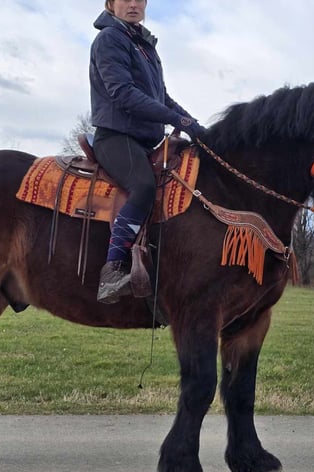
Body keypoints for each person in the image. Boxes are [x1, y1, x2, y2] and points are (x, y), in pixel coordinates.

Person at [90, 0, 206, 304]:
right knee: (143, 186)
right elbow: (123, 93)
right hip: (115, 137)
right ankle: (112, 270)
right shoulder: (110, 39)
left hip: (144, 141)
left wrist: (193, 124)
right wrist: (175, 120)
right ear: (111, 4)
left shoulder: (145, 46)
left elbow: (162, 97)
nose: (133, 4)